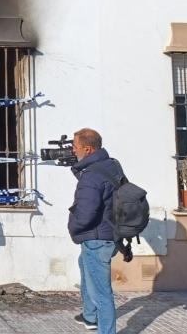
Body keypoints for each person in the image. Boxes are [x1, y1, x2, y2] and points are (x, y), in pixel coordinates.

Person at [68, 128, 123, 333]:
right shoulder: (111, 165)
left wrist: (73, 228)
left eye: (75, 146)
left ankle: (106, 330)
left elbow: (86, 213)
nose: (73, 150)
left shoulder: (91, 175)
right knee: (83, 265)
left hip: (97, 238)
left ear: (88, 149)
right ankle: (90, 316)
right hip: (108, 234)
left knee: (101, 292)